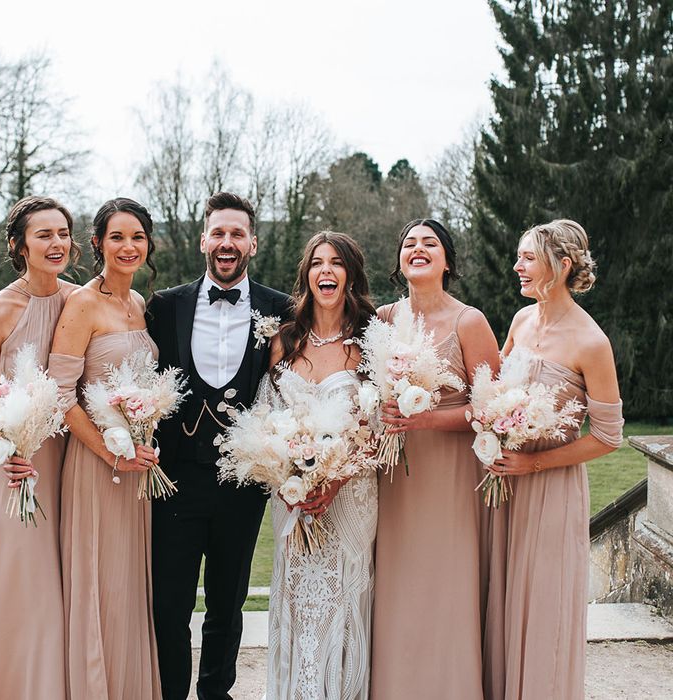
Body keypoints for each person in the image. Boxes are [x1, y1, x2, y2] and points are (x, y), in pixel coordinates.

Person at [146, 191, 292, 700]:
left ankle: (216, 692)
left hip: (243, 480)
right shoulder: (164, 307)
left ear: (253, 242)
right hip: (174, 479)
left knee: (228, 599)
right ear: (202, 239)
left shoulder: (282, 309)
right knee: (170, 600)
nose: (227, 243)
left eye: (237, 234)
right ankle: (170, 693)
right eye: (218, 233)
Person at [485, 219, 624, 699]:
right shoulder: (521, 321)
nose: (517, 266)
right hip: (503, 489)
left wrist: (536, 464)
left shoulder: (592, 342)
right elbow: (490, 391)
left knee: (543, 609)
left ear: (562, 266)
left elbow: (609, 437)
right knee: (501, 604)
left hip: (551, 489)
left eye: (528, 257)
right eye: (519, 256)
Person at [0, 196, 79, 700]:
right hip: (14, 467)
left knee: (59, 581)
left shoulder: (77, 301)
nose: (56, 243)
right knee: (19, 582)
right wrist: (8, 447)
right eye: (44, 234)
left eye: (63, 233)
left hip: (66, 460)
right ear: (18, 245)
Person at [370, 218, 500, 699]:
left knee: (445, 583)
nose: (417, 249)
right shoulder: (383, 318)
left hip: (449, 474)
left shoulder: (469, 321)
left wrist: (429, 420)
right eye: (408, 243)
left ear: (447, 260)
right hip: (393, 475)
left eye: (429, 243)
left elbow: (493, 405)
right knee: (396, 586)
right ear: (400, 260)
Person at [48, 198, 162, 699]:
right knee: (100, 585)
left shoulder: (138, 305)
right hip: (98, 468)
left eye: (136, 237)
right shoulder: (82, 304)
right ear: (97, 243)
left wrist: (139, 441)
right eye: (117, 237)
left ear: (148, 244)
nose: (128, 246)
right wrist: (112, 452)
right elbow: (59, 393)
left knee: (129, 591)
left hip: (137, 467)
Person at [264, 231, 377, 700]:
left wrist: (333, 479)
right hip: (293, 497)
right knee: (296, 598)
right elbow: (267, 421)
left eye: (336, 263)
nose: (325, 271)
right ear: (306, 274)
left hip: (351, 493)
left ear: (350, 274)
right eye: (316, 262)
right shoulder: (283, 340)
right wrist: (292, 476)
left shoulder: (370, 341)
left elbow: (378, 429)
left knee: (343, 600)